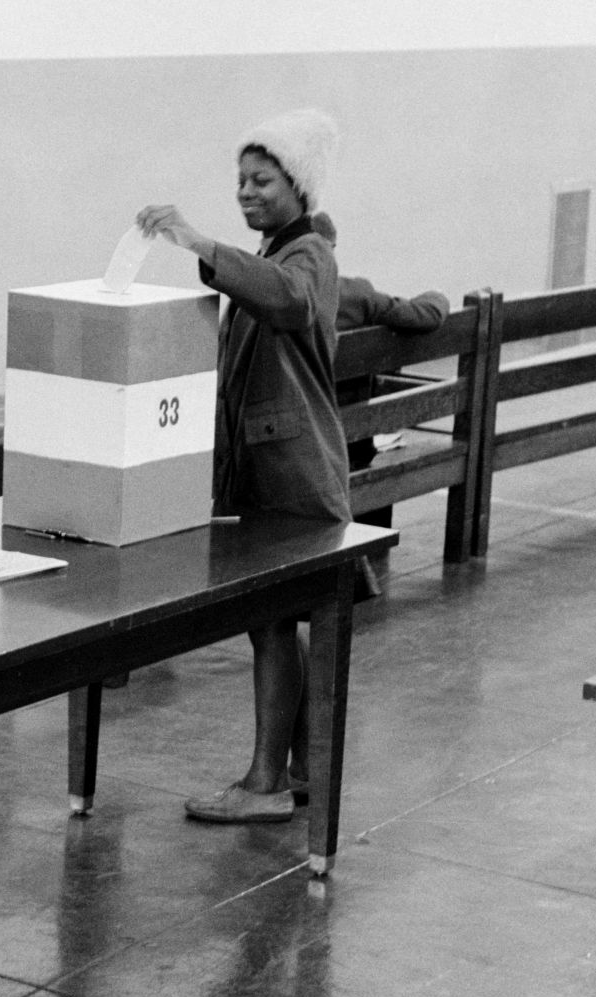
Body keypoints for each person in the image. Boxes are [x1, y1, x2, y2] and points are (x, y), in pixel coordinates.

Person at [136, 108, 351, 824]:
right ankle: (297, 770)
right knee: (274, 622)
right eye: (240, 180)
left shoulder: (307, 257)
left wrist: (198, 241)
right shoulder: (276, 255)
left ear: (298, 184)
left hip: (295, 480)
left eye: (262, 179)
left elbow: (285, 300)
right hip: (270, 479)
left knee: (269, 624)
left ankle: (263, 785)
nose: (246, 191)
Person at [310, 211, 452, 471]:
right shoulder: (356, 294)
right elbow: (425, 315)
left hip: (292, 451)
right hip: (350, 448)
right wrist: (438, 296)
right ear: (330, 249)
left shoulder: (268, 294)